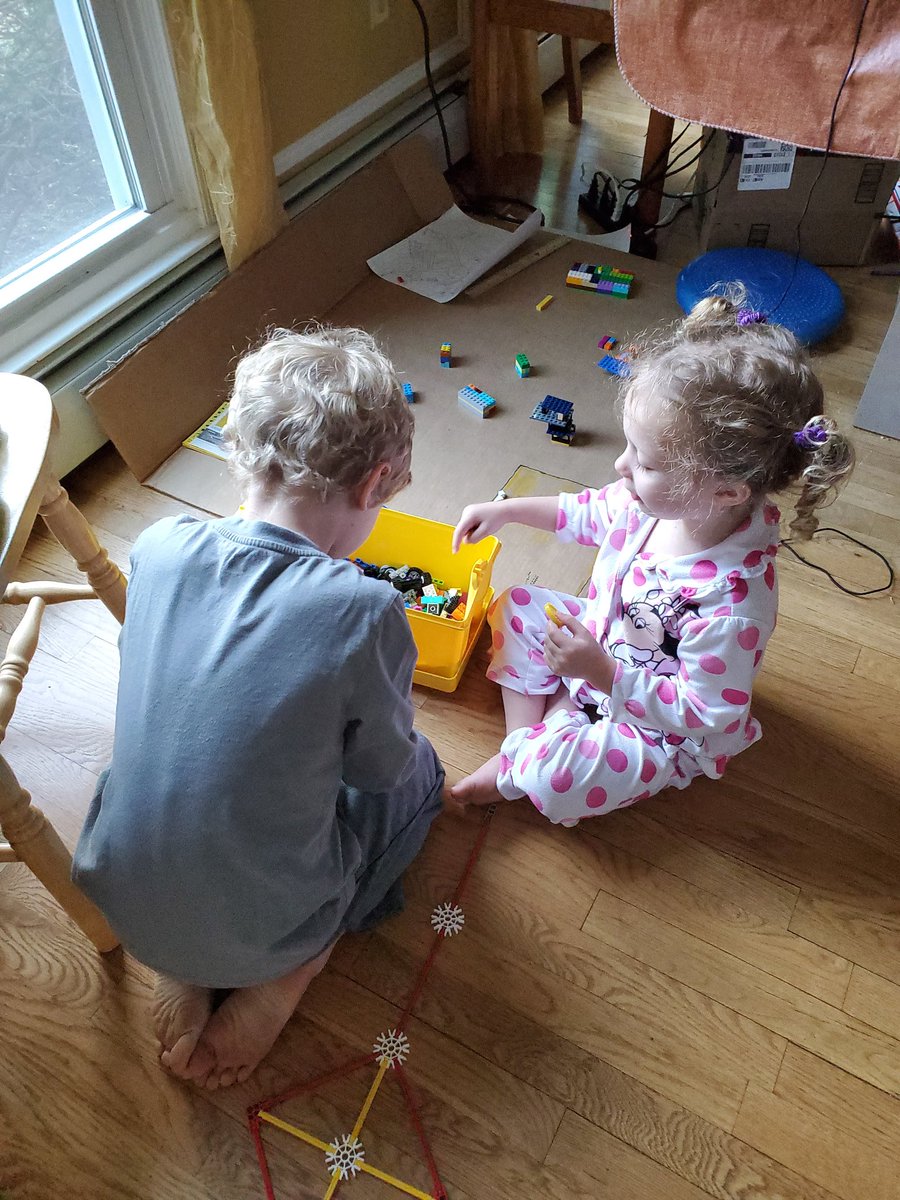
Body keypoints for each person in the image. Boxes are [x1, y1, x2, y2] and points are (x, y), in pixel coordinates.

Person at [74, 327, 446, 1089]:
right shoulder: (368, 610)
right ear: (375, 485)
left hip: (122, 897)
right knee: (423, 775)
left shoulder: (158, 544)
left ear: (237, 453)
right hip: (268, 928)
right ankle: (286, 975)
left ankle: (179, 958)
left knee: (179, 773)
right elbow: (378, 775)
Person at [449, 295, 854, 822]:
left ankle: (522, 767)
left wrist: (603, 673)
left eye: (645, 461)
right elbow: (583, 511)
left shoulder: (731, 604)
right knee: (516, 605)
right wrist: (506, 511)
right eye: (629, 448)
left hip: (657, 722)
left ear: (727, 492)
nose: (620, 466)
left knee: (562, 779)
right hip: (601, 644)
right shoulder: (654, 501)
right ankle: (524, 744)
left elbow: (707, 710)